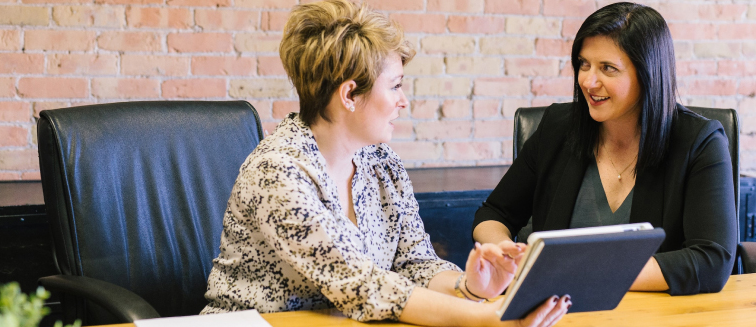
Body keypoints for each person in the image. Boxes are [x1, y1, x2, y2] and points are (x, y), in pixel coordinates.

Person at [201, 0, 568, 325]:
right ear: (349, 95)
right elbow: (361, 285)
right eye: (395, 86)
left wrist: (470, 286)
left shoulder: (381, 162)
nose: (403, 100)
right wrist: (485, 317)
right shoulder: (278, 172)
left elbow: (414, 264)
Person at [472, 2, 738, 296]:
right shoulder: (558, 128)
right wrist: (503, 252)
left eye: (608, 68)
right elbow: (493, 213)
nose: (588, 81)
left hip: (655, 315)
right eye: (584, 64)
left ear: (648, 73)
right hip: (557, 312)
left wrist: (584, 273)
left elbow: (712, 259)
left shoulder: (700, 142)